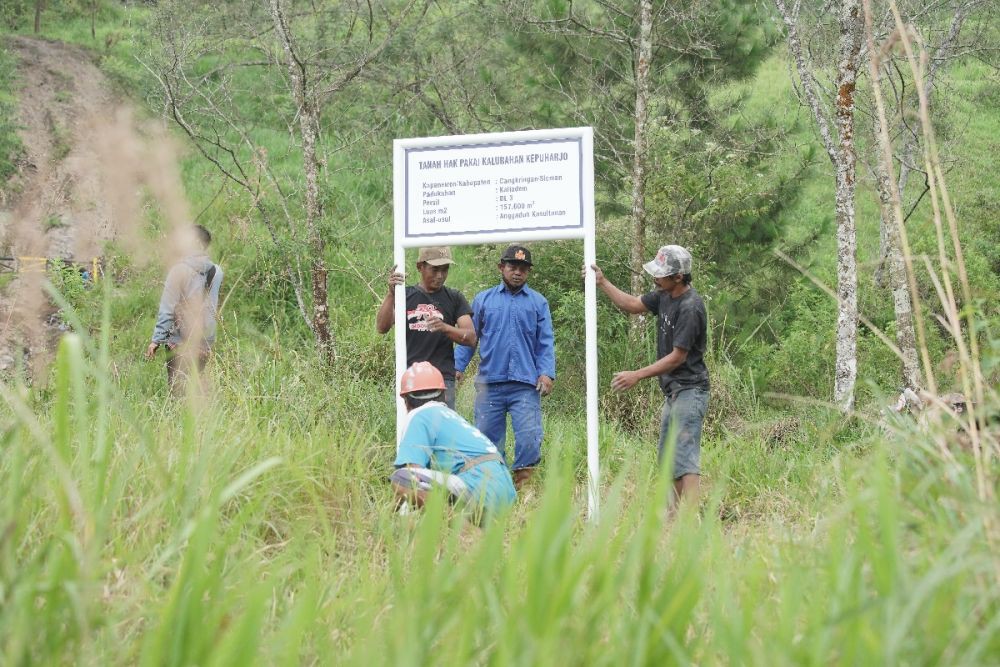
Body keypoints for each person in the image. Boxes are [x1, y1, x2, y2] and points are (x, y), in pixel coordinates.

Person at [588, 244, 709, 506]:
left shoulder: (690, 307)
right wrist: (602, 282)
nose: (655, 277)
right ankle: (673, 518)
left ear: (678, 277)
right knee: (668, 458)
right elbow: (632, 304)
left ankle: (690, 524)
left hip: (691, 389)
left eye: (661, 274)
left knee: (685, 457)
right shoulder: (664, 295)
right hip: (674, 391)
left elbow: (678, 356)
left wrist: (637, 375)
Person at [455, 245, 555, 489]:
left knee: (530, 438)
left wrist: (547, 373)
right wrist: (457, 367)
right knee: (487, 440)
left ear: (528, 272)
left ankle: (523, 486)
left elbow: (545, 342)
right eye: (512, 267)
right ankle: (493, 487)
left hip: (525, 385)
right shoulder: (483, 300)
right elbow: (469, 338)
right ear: (502, 268)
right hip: (490, 384)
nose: (517, 272)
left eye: (523, 268)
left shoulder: (538, 303)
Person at [390, 361, 516, 524]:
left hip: (477, 484)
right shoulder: (450, 416)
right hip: (504, 490)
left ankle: (465, 534)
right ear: (443, 394)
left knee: (402, 478)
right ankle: (476, 531)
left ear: (406, 400)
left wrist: (391, 516)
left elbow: (411, 475)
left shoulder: (419, 415)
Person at [376, 246, 476, 409]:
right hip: (411, 378)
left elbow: (471, 337)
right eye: (435, 269)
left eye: (445, 270)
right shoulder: (404, 295)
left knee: (442, 430)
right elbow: (382, 327)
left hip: (442, 380)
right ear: (419, 267)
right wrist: (391, 294)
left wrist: (444, 327)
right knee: (414, 428)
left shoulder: (454, 297)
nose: (440, 275)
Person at [144, 225, 224, 390]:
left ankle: (178, 415)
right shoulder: (217, 271)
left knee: (177, 388)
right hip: (205, 340)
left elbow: (167, 309)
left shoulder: (178, 270)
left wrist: (156, 340)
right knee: (197, 387)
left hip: (179, 339)